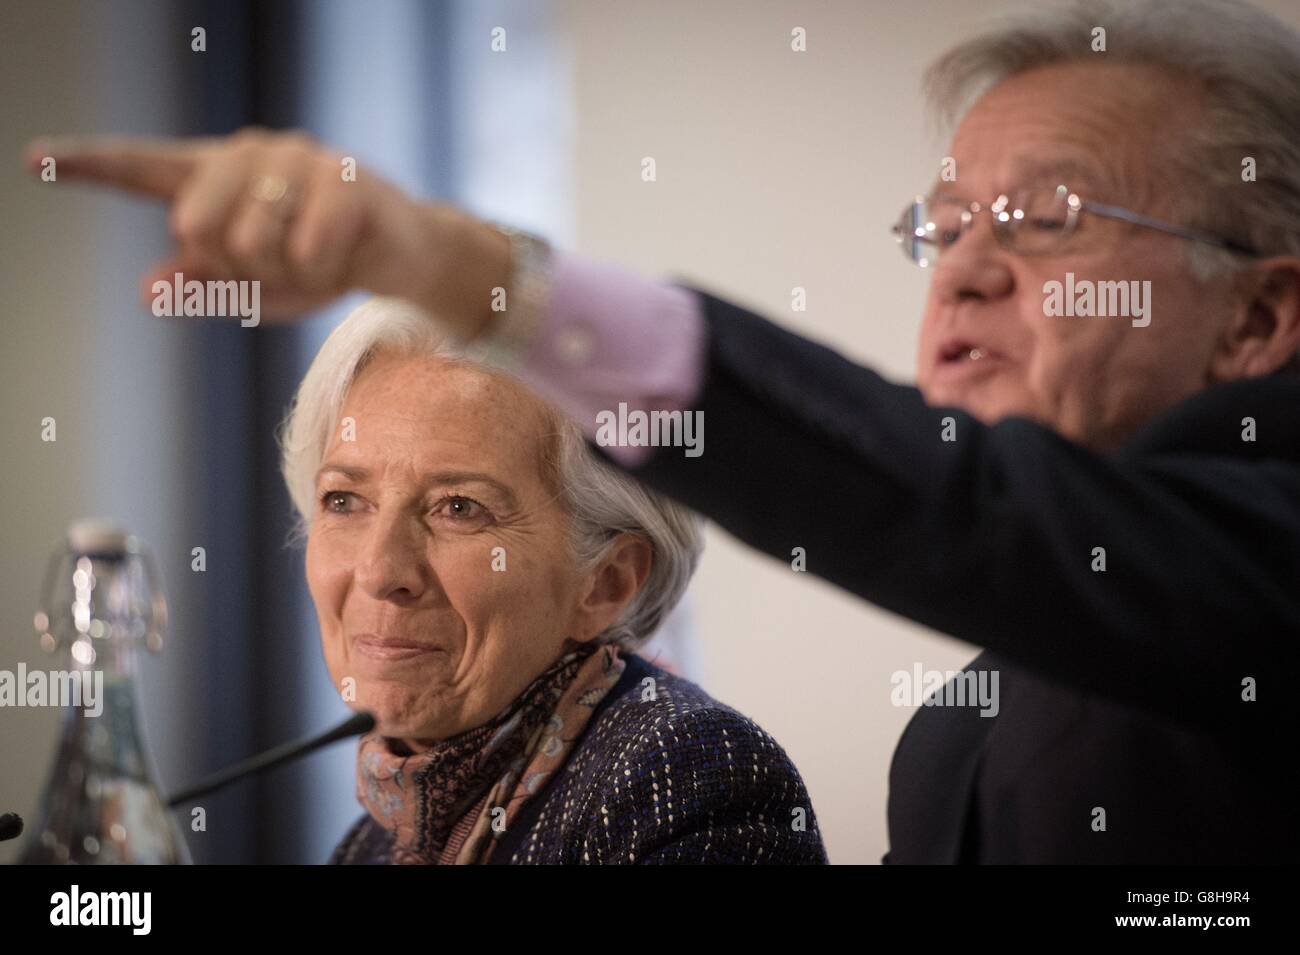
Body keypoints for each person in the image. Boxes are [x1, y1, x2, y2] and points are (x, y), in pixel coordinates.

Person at [26, 0, 1300, 863]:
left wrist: (444, 258)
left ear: (1257, 314)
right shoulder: (953, 733)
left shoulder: (691, 787)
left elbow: (959, 508)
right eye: (945, 226)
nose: (960, 274)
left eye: (1045, 218)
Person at [276, 296, 826, 864]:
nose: (380, 571)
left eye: (460, 508)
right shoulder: (370, 844)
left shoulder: (683, 775)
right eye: (344, 500)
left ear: (606, 584)